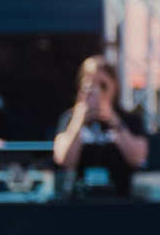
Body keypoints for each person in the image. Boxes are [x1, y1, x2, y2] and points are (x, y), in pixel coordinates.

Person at [52, 55, 148, 196]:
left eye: (103, 86)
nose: (96, 91)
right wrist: (79, 121)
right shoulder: (70, 118)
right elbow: (63, 160)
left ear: (114, 86)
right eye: (90, 86)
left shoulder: (129, 120)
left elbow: (138, 158)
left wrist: (114, 120)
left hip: (119, 200)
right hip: (80, 199)